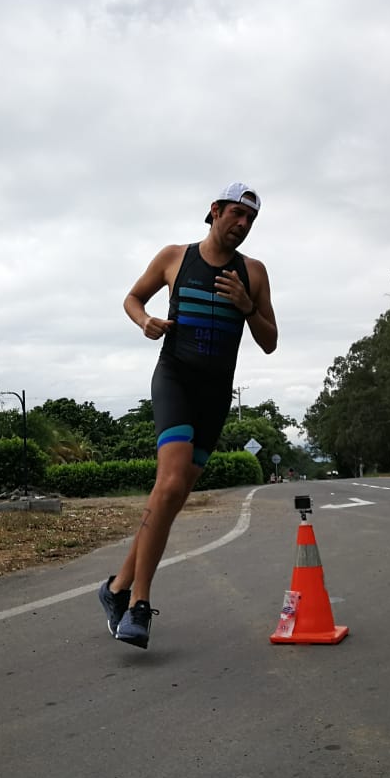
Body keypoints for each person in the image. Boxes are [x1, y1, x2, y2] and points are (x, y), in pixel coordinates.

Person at [98, 182, 278, 648]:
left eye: (251, 219)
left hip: (216, 396)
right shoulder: (175, 257)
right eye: (236, 213)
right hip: (175, 378)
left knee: (171, 497)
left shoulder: (254, 273)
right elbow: (132, 298)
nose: (243, 224)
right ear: (215, 210)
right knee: (171, 483)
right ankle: (138, 604)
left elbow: (270, 341)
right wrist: (145, 322)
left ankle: (115, 588)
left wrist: (247, 306)